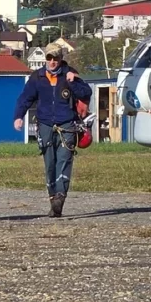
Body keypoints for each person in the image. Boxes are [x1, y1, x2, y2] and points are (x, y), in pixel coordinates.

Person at [13, 42, 92, 218]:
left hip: (67, 126)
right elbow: (25, 99)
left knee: (63, 162)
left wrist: (74, 82)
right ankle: (53, 201)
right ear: (45, 59)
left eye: (56, 58)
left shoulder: (70, 74)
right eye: (49, 58)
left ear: (61, 58)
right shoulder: (37, 77)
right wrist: (18, 116)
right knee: (50, 165)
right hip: (46, 126)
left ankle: (60, 198)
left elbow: (86, 93)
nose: (52, 61)